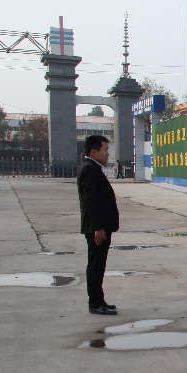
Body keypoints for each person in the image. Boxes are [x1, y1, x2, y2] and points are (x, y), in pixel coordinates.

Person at [77, 134, 119, 316]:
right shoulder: (90, 169)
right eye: (105, 150)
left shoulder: (92, 167)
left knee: (98, 265)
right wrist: (99, 228)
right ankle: (95, 303)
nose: (108, 153)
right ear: (93, 152)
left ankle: (99, 300)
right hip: (97, 229)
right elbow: (90, 201)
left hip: (100, 227)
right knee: (96, 266)